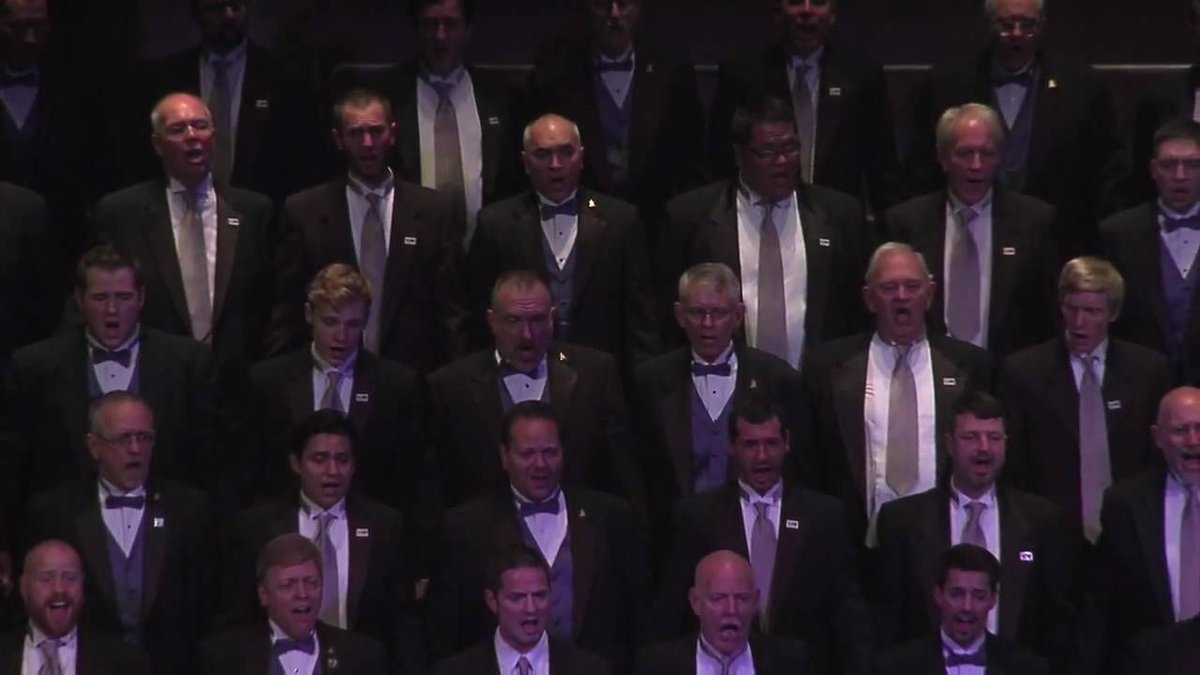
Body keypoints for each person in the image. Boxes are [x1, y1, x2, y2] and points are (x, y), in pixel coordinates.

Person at [2, 245, 217, 570]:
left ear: (141, 298)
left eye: (124, 297)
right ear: (80, 300)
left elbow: (209, 462)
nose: (112, 310)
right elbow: (13, 464)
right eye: (100, 298)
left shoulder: (187, 363)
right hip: (62, 546)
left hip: (165, 548)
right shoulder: (35, 367)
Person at [649, 398, 869, 675]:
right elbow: (670, 612)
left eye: (771, 443)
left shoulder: (824, 516)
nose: (762, 457)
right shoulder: (697, 518)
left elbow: (848, 613)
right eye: (751, 445)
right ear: (732, 447)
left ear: (787, 443)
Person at [426, 401, 646, 671]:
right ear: (504, 456)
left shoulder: (611, 518)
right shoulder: (465, 527)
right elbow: (444, 630)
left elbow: (638, 617)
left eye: (550, 452)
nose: (540, 464)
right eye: (527, 454)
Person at [659, 96, 871, 367]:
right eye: (768, 152)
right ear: (739, 154)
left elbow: (858, 313)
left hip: (821, 382)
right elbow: (665, 318)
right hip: (723, 383)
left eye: (790, 148)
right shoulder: (690, 217)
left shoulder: (841, 215)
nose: (782, 161)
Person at [803, 243, 991, 543]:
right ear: (869, 299)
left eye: (912, 287)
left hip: (944, 543)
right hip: (855, 543)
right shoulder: (827, 367)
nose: (901, 296)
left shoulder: (970, 366)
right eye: (889, 288)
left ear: (929, 295)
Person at [273, 87, 469, 374]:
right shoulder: (305, 212)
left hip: (413, 376)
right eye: (356, 133)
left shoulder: (434, 211)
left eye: (376, 131)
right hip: (329, 374)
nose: (367, 143)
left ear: (392, 133)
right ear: (338, 140)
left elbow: (451, 314)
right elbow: (288, 312)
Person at [875, 391, 1075, 669]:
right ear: (949, 444)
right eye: (971, 437)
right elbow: (887, 620)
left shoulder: (1042, 520)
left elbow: (1056, 621)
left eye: (994, 438)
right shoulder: (903, 521)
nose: (984, 448)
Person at [906, 0, 1121, 259]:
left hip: (1060, 244)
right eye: (1007, 24)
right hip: (964, 236)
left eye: (1027, 25)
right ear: (989, 24)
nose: (1017, 34)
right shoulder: (947, 84)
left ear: (1042, 24)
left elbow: (1106, 171)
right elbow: (922, 167)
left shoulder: (1083, 86)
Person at [24, 392, 214, 675]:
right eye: (123, 439)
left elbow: (205, 599)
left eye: (144, 437)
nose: (136, 449)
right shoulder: (55, 513)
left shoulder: (188, 508)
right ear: (94, 446)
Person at [90, 92, 275, 374]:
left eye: (200, 126)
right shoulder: (122, 213)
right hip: (155, 377)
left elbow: (269, 301)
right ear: (158, 144)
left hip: (237, 378)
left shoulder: (253, 211)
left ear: (213, 135)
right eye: (178, 129)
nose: (192, 135)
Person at [427, 270, 643, 511]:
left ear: (552, 318)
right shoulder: (452, 386)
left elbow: (624, 474)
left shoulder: (595, 374)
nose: (527, 335)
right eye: (513, 321)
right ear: (492, 321)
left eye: (537, 320)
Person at [226, 410, 416, 674]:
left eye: (342, 460)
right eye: (320, 459)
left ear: (354, 465)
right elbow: (239, 613)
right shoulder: (257, 526)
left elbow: (402, 621)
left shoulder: (385, 525)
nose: (332, 471)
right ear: (296, 463)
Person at [999, 257, 1173, 542]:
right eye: (1072, 309)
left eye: (1092, 311)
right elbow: (1016, 464)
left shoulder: (1148, 372)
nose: (1079, 322)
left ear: (1113, 313)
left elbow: (1156, 460)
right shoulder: (1024, 373)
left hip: (1131, 532)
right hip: (1050, 532)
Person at [467, 112, 659, 370]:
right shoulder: (496, 223)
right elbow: (479, 313)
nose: (555, 164)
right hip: (521, 370)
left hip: (601, 375)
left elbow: (640, 317)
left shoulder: (621, 220)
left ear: (581, 157)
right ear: (525, 162)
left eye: (566, 153)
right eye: (543, 154)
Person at [633, 263, 805, 544]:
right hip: (673, 539)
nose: (707, 324)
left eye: (719, 313)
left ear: (738, 316)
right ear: (679, 315)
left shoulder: (777, 379)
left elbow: (797, 468)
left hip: (756, 535)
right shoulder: (650, 381)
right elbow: (639, 472)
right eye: (697, 313)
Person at [884, 103, 1059, 357]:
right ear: (943, 158)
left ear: (999, 158)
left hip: (1007, 372)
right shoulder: (907, 223)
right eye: (965, 154)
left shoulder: (1034, 222)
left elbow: (1047, 316)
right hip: (927, 368)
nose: (976, 165)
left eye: (987, 154)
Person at [249, 263, 421, 517]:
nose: (341, 336)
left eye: (353, 324)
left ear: (366, 321)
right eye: (330, 322)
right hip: (288, 526)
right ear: (309, 314)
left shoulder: (395, 385)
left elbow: (409, 480)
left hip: (367, 528)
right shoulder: (269, 381)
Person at [706, 0, 901, 217]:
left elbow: (883, 170)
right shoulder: (743, 73)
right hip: (757, 217)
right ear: (778, 12)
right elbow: (720, 161)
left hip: (836, 222)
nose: (807, 10)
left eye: (818, 2)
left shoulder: (861, 75)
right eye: (796, 1)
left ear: (833, 14)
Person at [526, 0, 705, 233]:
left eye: (624, 4)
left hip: (656, 222)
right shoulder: (557, 71)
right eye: (603, 5)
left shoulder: (671, 68)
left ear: (638, 7)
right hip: (585, 216)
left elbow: (691, 153)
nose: (614, 14)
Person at [360, 0, 522, 248]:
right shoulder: (386, 97)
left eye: (450, 24)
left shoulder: (501, 95)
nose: (440, 36)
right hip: (409, 250)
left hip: (487, 251)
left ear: (467, 29)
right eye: (430, 24)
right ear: (416, 29)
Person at [129, 0, 326, 199]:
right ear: (196, 14)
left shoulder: (285, 75)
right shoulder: (165, 77)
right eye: (216, 8)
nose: (229, 16)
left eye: (236, 6)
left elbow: (304, 156)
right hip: (181, 204)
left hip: (264, 207)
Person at [1092, 386, 1200, 669]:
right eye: (1180, 430)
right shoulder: (1126, 505)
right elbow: (1103, 601)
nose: (1193, 440)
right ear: (1158, 437)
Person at [1100, 118, 1200, 385]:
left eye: (1192, 165)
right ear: (1153, 170)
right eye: (1169, 165)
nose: (1180, 175)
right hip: (1140, 386)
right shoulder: (1118, 233)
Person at [200, 533, 388, 675]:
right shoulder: (223, 658)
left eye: (311, 583)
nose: (303, 594)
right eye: (288, 585)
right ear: (264, 595)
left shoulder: (363, 656)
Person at [430, 545, 612, 675]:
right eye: (517, 598)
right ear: (492, 601)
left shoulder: (591, 670)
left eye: (539, 596)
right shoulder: (453, 671)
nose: (531, 609)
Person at [874, 544, 1048, 675]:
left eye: (978, 596)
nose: (967, 607)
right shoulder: (896, 668)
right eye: (957, 594)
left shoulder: (1027, 669)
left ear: (993, 600)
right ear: (938, 595)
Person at [634, 550, 812, 674]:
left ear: (755, 601)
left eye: (742, 598)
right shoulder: (657, 666)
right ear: (696, 602)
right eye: (718, 598)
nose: (731, 610)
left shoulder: (790, 663)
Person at [0, 539, 152, 674]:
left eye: (70, 578)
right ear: (24, 587)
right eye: (46, 579)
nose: (59, 589)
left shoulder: (126, 662)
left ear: (82, 587)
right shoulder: (5, 654)